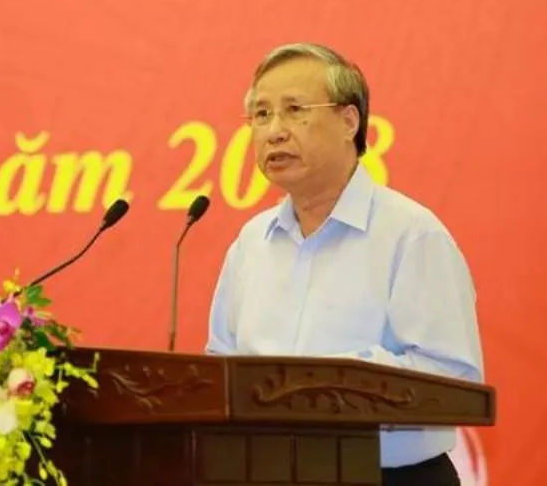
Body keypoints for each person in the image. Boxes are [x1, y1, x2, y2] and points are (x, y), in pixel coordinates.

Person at [205, 42, 484, 486]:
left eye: (295, 110)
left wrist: (336, 383)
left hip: (389, 477)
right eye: (261, 114)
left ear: (349, 121)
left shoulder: (411, 234)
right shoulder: (251, 244)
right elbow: (221, 368)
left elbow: (456, 380)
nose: (274, 131)